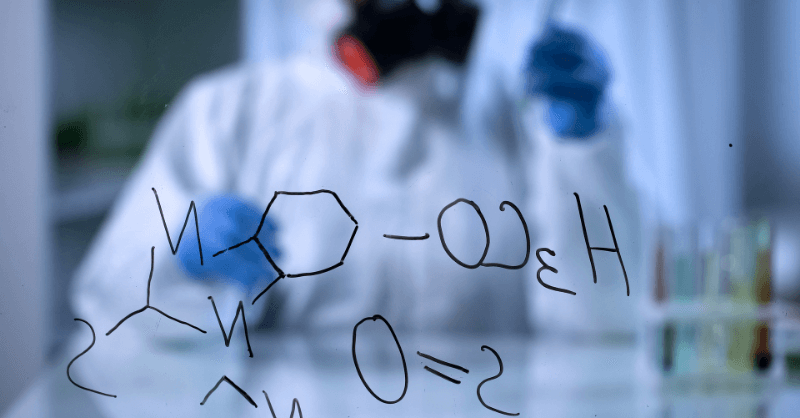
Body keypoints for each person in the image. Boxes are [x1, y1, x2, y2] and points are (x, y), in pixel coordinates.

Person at [70, 0, 642, 340]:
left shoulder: (515, 115)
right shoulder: (232, 111)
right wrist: (177, 260)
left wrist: (585, 156)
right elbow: (108, 307)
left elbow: (607, 319)